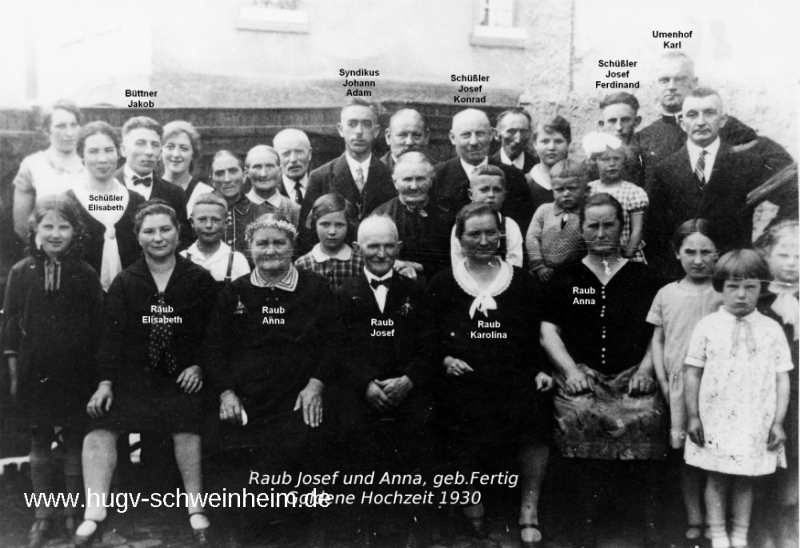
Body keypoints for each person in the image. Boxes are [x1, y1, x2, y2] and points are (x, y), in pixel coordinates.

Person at [75, 200, 217, 546]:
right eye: (149, 231)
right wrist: (105, 383)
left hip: (181, 378)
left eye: (165, 229)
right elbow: (112, 337)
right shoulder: (126, 281)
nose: (158, 238)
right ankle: (94, 512)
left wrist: (198, 366)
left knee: (187, 423)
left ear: (178, 232)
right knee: (100, 424)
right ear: (137, 237)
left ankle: (196, 508)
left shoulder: (198, 279)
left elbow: (214, 334)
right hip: (135, 380)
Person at [204, 212, 344, 545]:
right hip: (248, 397)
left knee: (303, 443)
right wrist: (226, 394)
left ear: (292, 246)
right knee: (230, 447)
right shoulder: (234, 293)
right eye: (262, 243)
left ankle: (303, 533)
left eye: (278, 242)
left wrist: (315, 386)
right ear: (249, 247)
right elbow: (213, 348)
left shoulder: (314, 287)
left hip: (299, 394)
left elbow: (334, 341)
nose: (270, 250)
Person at [422, 203, 553, 547]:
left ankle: (529, 508)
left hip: (514, 375)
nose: (483, 240)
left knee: (535, 416)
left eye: (490, 232)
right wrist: (446, 358)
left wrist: (540, 368)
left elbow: (534, 332)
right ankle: (471, 500)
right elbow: (427, 336)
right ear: (459, 237)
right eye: (474, 234)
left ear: (502, 234)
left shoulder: (521, 281)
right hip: (463, 378)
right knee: (457, 418)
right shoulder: (444, 282)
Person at [539, 193, 665, 548]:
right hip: (583, 375)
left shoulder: (645, 277)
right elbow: (548, 331)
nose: (600, 232)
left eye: (609, 224)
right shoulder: (566, 278)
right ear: (582, 229)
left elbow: (660, 329)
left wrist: (646, 371)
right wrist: (571, 371)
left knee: (647, 414)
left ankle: (642, 523)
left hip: (631, 375)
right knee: (579, 413)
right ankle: (581, 524)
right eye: (592, 225)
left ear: (622, 228)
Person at [4, 196, 103, 548]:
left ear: (76, 231)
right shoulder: (21, 271)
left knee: (75, 441)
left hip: (76, 374)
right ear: (35, 230)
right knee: (39, 441)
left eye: (64, 226)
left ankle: (71, 514)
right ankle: (42, 516)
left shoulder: (85, 273)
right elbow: (12, 331)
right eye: (48, 226)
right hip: (33, 373)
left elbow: (98, 329)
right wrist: (16, 377)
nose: (56, 233)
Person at [336, 215, 436, 548]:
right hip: (360, 391)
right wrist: (365, 383)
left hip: (406, 389)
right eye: (372, 245)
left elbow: (430, 345)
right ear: (356, 248)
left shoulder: (416, 292)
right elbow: (336, 350)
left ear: (399, 247)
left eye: (388, 245)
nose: (381, 253)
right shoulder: (342, 294)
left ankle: (413, 529)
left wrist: (408, 380)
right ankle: (361, 527)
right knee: (351, 435)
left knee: (422, 432)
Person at [684, 250, 792, 548]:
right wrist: (693, 416)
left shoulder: (771, 330)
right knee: (716, 477)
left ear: (762, 288)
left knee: (746, 478)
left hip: (754, 420)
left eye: (750, 287)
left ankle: (740, 535)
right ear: (720, 286)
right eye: (732, 286)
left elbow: (782, 377)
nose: (741, 295)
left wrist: (778, 422)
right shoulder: (708, 326)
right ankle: (718, 534)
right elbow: (692, 372)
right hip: (715, 418)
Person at [647, 219, 723, 548]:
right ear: (677, 253)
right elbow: (658, 338)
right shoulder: (667, 293)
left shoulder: (723, 293)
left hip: (717, 387)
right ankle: (694, 517)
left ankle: (716, 520)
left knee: (718, 454)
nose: (698, 259)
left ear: (718, 254)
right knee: (687, 455)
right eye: (689, 251)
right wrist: (662, 379)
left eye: (706, 252)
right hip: (678, 388)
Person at [647, 88, 764, 280]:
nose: (701, 122)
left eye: (709, 113)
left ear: (723, 119)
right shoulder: (664, 170)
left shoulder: (748, 164)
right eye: (692, 115)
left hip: (731, 276)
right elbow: (654, 233)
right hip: (680, 276)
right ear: (681, 122)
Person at [638, 52, 792, 189]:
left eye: (680, 80)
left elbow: (780, 164)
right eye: (664, 80)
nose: (671, 87)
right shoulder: (644, 137)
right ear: (655, 85)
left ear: (694, 82)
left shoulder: (724, 125)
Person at [300, 99, 396, 254]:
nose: (359, 131)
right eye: (352, 124)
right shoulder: (320, 177)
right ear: (340, 129)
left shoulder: (389, 175)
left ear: (376, 131)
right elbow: (307, 233)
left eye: (366, 124)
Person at [755, 219, 799, 548]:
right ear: (767, 254)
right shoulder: (757, 298)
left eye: (799, 256)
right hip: (764, 396)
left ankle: (788, 529)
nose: (791, 263)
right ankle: (762, 530)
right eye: (783, 254)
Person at [65, 121, 144, 290]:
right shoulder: (67, 202)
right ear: (81, 156)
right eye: (93, 151)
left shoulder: (137, 201)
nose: (103, 159)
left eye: (109, 150)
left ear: (118, 153)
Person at [433, 108, 535, 234]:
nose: (474, 142)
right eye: (466, 135)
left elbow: (523, 229)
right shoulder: (438, 175)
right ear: (453, 138)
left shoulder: (513, 177)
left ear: (491, 135)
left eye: (480, 134)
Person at [372, 151, 451, 283]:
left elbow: (456, 258)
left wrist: (418, 267)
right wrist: (396, 264)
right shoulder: (380, 217)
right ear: (395, 182)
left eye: (420, 179)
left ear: (431, 180)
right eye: (407, 179)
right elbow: (370, 256)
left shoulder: (448, 213)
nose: (414, 186)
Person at [13, 100, 85, 240]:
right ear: (47, 130)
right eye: (61, 126)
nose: (69, 133)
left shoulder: (91, 161)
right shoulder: (33, 165)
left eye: (74, 125)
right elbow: (21, 225)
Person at [115, 116, 190, 245]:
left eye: (155, 145)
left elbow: (183, 240)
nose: (149, 151)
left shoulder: (175, 193)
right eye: (140, 143)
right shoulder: (106, 187)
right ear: (123, 150)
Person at [584, 132, 648, 262]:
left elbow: (637, 231)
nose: (612, 164)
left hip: (627, 258)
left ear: (624, 160)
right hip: (597, 257)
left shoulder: (633, 192)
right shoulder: (588, 190)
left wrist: (625, 257)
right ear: (594, 161)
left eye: (617, 158)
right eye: (605, 159)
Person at [526, 159, 589, 282]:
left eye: (572, 188)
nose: (566, 194)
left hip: (575, 274)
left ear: (584, 188)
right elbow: (532, 237)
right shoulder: (544, 211)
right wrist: (538, 266)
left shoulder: (587, 213)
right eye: (559, 189)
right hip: (543, 271)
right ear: (552, 190)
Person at [450, 164, 524, 268]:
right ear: (471, 194)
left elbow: (515, 264)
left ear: (504, 195)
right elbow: (457, 263)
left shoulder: (509, 226)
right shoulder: (461, 225)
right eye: (484, 189)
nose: (491, 195)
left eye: (497, 190)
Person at [295, 193, 364, 290]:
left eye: (339, 225)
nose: (332, 232)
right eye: (325, 224)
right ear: (314, 223)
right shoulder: (303, 264)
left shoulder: (359, 262)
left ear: (348, 225)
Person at [180, 192, 250, 284]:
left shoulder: (237, 260)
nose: (209, 225)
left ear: (226, 223)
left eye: (215, 220)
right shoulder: (182, 258)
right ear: (192, 222)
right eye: (202, 219)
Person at [209, 150, 260, 257]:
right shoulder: (200, 214)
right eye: (219, 173)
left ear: (245, 175)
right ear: (212, 181)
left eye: (233, 171)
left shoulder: (260, 213)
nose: (227, 179)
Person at [160, 121, 214, 216]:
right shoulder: (149, 189)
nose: (176, 154)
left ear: (193, 154)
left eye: (184, 148)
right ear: (160, 151)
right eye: (170, 147)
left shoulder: (205, 193)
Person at [593, 92, 645, 187]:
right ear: (602, 125)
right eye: (612, 121)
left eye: (625, 120)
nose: (619, 127)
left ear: (637, 122)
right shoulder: (592, 164)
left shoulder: (646, 160)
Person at [243, 144, 300, 227]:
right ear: (247, 173)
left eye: (269, 166)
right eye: (257, 167)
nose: (263, 174)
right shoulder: (237, 207)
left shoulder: (296, 210)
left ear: (280, 171)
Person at [526, 115, 571, 215]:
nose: (551, 147)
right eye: (545, 141)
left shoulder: (578, 181)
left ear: (568, 144)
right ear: (535, 144)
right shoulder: (526, 183)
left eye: (558, 141)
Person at [273, 128, 313, 205]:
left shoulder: (323, 186)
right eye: (286, 153)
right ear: (277, 158)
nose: (293, 159)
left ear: (309, 154)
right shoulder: (270, 191)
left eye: (299, 152)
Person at [491, 108, 538, 173]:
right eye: (511, 131)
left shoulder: (538, 167)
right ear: (496, 135)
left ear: (530, 133)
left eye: (523, 132)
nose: (518, 140)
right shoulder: (486, 166)